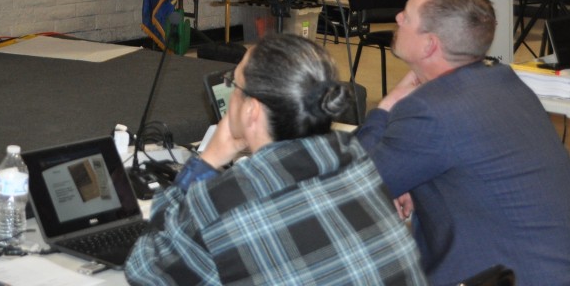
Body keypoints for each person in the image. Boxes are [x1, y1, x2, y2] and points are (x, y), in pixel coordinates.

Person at [125, 34, 427, 286]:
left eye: (234, 84)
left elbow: (144, 270)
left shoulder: (223, 201)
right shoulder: (358, 161)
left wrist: (208, 160)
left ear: (252, 110)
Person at [355, 0, 570, 286]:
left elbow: (352, 186)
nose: (398, 17)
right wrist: (410, 180)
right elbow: (468, 163)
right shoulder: (505, 83)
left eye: (408, 16)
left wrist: (386, 106)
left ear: (429, 45)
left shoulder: (430, 109)